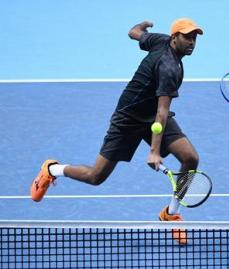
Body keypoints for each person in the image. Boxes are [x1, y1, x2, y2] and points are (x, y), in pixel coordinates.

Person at [30, 18, 204, 245]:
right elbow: (162, 113)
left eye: (194, 38)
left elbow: (134, 33)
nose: (191, 42)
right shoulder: (169, 67)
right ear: (174, 38)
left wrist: (140, 29)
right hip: (129, 118)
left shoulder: (160, 40)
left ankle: (170, 214)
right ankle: (52, 169)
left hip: (150, 114)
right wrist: (154, 151)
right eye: (187, 37)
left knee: (190, 158)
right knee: (96, 176)